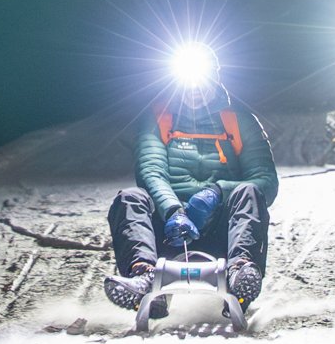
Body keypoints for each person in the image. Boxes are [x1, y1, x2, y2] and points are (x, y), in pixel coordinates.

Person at [103, 47, 278, 317]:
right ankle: (144, 276)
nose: (195, 89)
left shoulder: (238, 121)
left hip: (222, 227)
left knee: (250, 192)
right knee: (130, 198)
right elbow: (151, 171)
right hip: (171, 229)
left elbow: (266, 179)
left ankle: (241, 274)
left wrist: (216, 193)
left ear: (215, 79)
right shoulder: (159, 119)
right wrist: (174, 210)